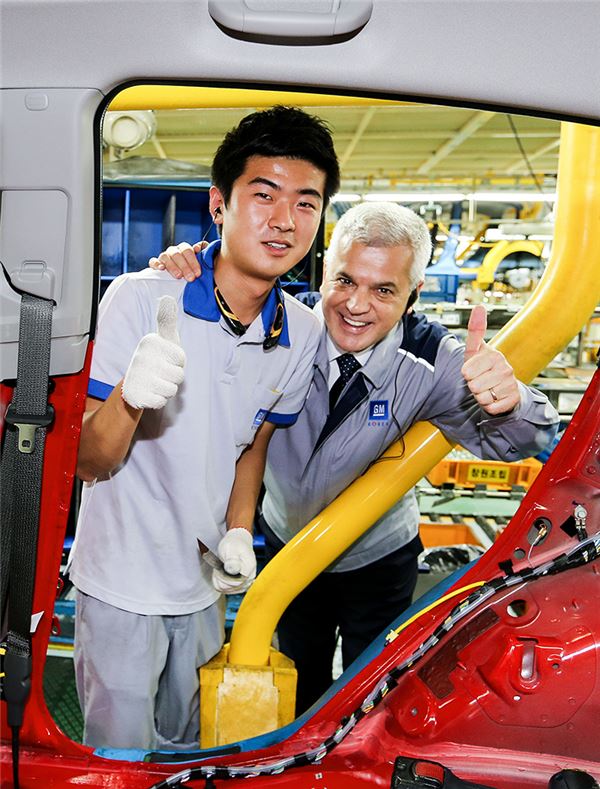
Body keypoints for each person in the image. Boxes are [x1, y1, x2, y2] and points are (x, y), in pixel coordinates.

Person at [151, 200, 560, 715]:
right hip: (290, 549)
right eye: (345, 281)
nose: (356, 305)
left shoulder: (433, 358)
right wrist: (186, 265)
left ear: (413, 295)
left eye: (383, 290)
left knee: (374, 692)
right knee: (301, 680)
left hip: (379, 561)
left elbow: (527, 441)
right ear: (323, 272)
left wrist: (513, 402)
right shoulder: (281, 324)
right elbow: (214, 295)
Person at [68, 105, 340, 750]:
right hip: (120, 583)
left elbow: (254, 446)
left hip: (203, 586)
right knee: (120, 755)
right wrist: (130, 400)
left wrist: (241, 531)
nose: (284, 220)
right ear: (219, 205)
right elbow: (88, 461)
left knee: (193, 746)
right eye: (263, 195)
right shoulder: (141, 298)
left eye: (307, 202)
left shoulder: (301, 331)